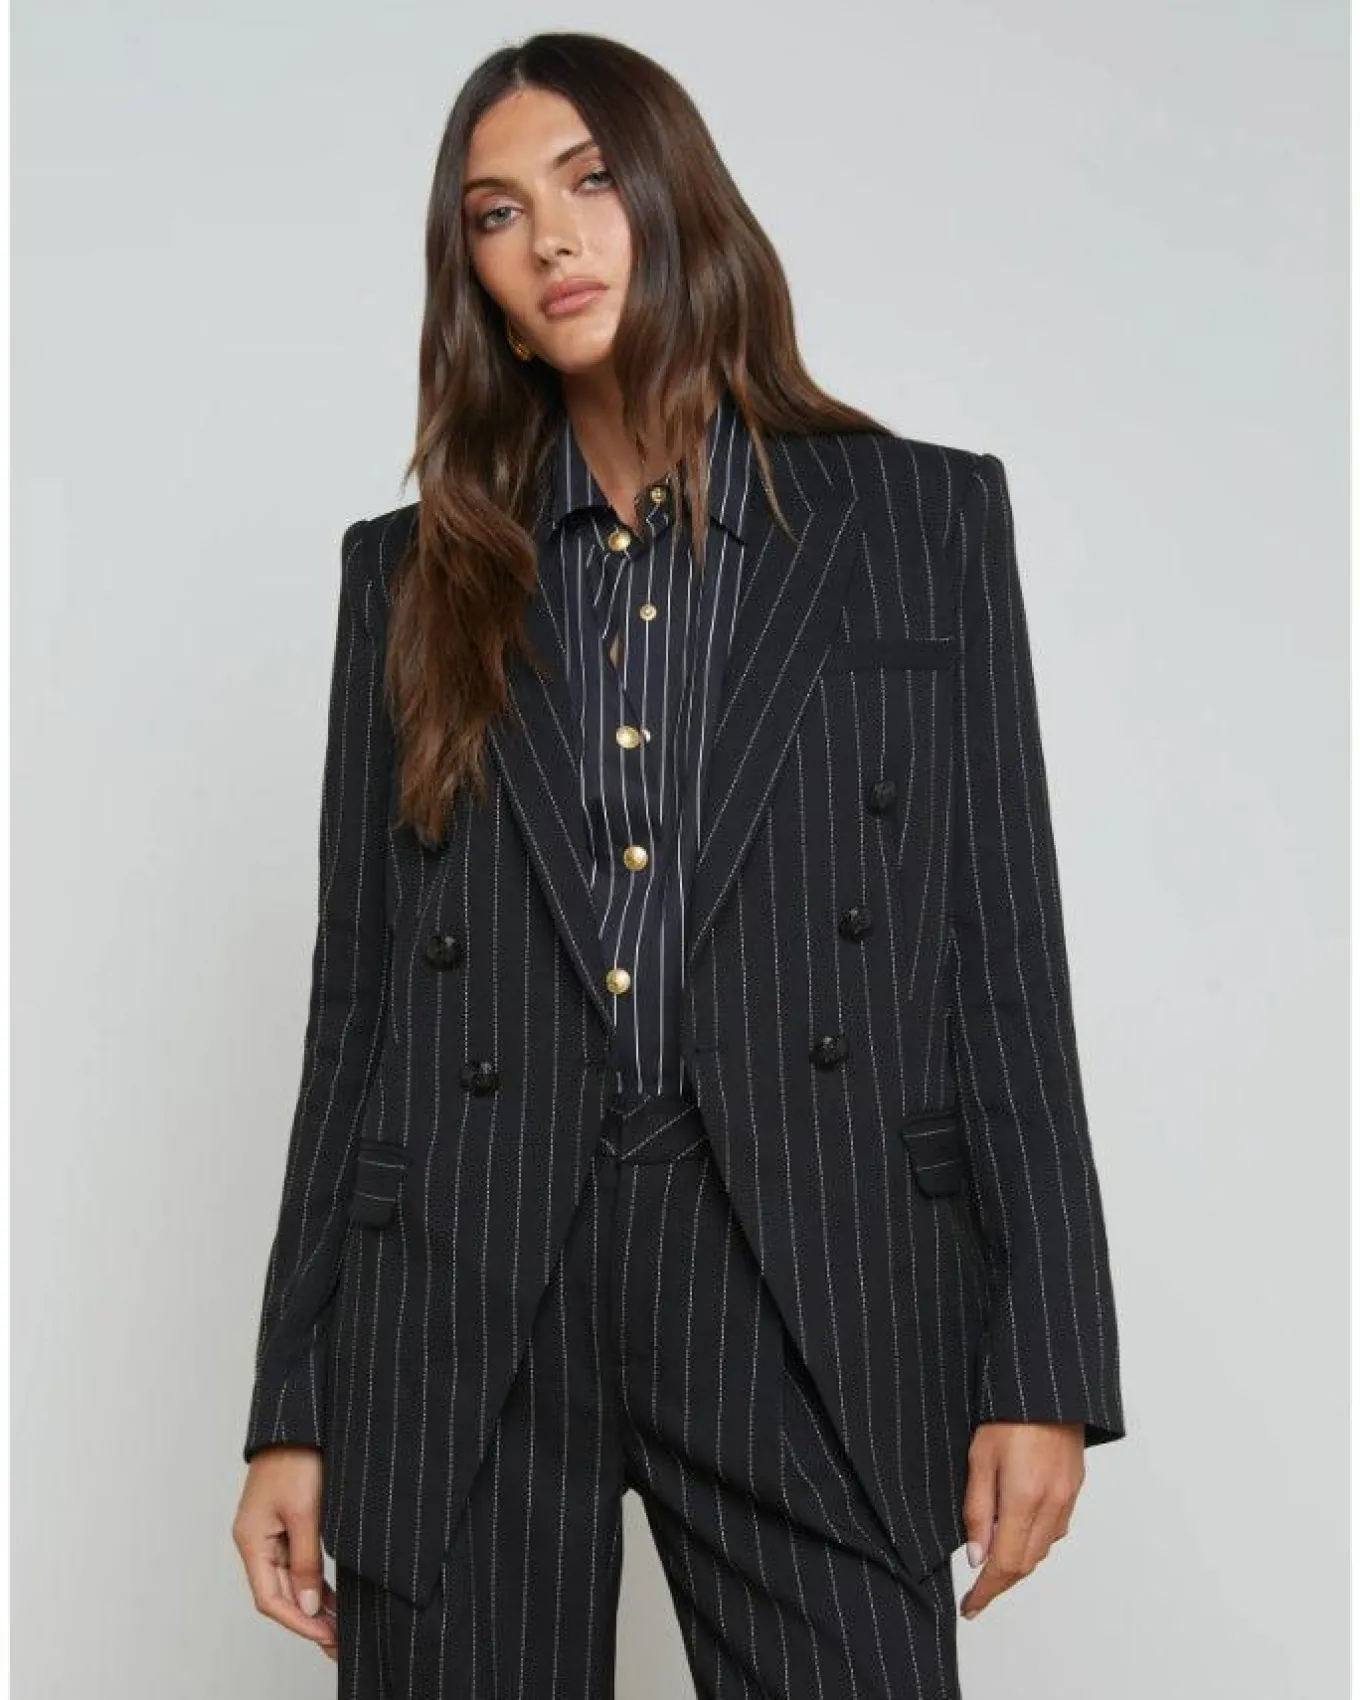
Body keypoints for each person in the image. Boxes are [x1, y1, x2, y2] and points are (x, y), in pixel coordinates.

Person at [231, 30, 1126, 1699]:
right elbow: (358, 1001)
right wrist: (293, 1401)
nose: (551, 240)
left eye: (587, 181)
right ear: (480, 286)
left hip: (809, 1265)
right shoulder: (410, 580)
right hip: (471, 1277)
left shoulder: (919, 522)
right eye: (497, 214)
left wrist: (1049, 1360)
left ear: (676, 199)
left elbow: (1003, 953)